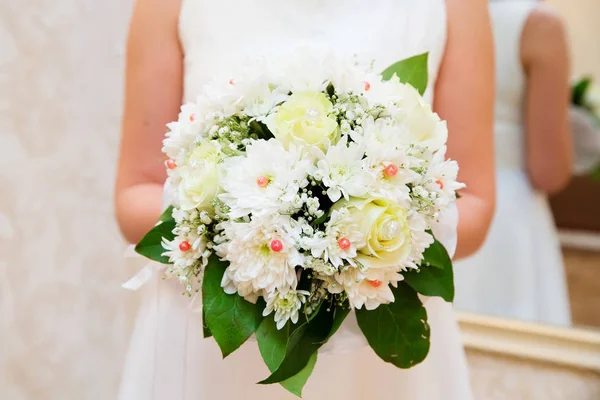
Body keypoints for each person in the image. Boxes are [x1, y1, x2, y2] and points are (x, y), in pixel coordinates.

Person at [115, 0, 495, 398]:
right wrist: (246, 230)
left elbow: (476, 204)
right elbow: (135, 190)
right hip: (207, 334)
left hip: (378, 337)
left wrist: (354, 241)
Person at [454, 0, 573, 326]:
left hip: (445, 205)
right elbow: (548, 171)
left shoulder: (429, 11)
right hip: (509, 218)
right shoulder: (539, 26)